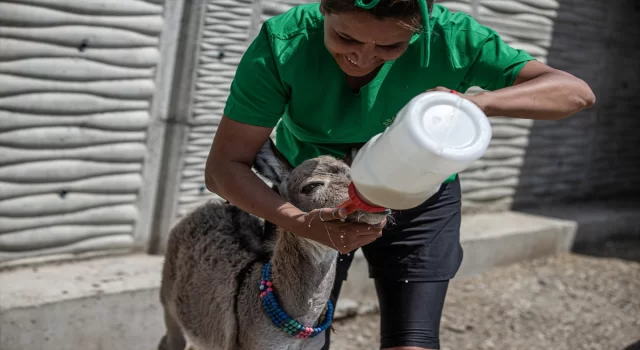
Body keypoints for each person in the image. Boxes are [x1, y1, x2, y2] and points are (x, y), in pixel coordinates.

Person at [204, 0, 596, 348]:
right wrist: (302, 222)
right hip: (316, 196)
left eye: (391, 46)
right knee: (294, 330)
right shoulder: (285, 42)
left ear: (420, 30)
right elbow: (225, 167)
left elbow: (574, 92)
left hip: (418, 192)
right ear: (324, 8)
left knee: (413, 339)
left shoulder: (453, 37)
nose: (363, 58)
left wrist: (476, 103)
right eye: (346, 38)